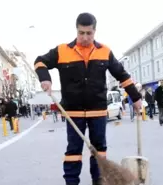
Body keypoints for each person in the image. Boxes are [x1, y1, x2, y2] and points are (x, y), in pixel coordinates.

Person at [34, 12, 142, 185]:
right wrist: (44, 78)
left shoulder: (104, 52)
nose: (85, 37)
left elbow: (122, 75)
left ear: (95, 31)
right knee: (73, 152)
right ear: (76, 31)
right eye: (81, 33)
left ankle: (99, 181)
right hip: (73, 112)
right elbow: (40, 62)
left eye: (89, 33)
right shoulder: (62, 51)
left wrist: (136, 98)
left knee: (99, 150)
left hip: (97, 111)